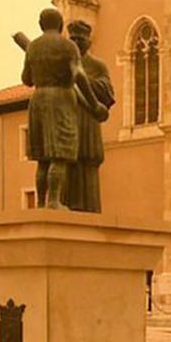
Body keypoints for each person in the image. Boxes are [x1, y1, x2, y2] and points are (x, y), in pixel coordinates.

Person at [20, 8, 97, 209]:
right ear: (61, 24)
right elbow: (79, 75)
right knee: (59, 154)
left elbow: (26, 79)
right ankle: (54, 200)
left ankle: (39, 202)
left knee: (42, 158)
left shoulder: (33, 47)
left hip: (38, 101)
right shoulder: (67, 46)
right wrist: (94, 103)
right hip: (61, 99)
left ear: (40, 24)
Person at [65, 20, 112, 213]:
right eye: (73, 38)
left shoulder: (97, 65)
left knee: (88, 161)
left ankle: (90, 208)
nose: (76, 42)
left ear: (88, 42)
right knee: (68, 162)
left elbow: (108, 92)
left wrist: (84, 82)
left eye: (80, 39)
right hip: (68, 119)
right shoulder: (65, 62)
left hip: (88, 121)